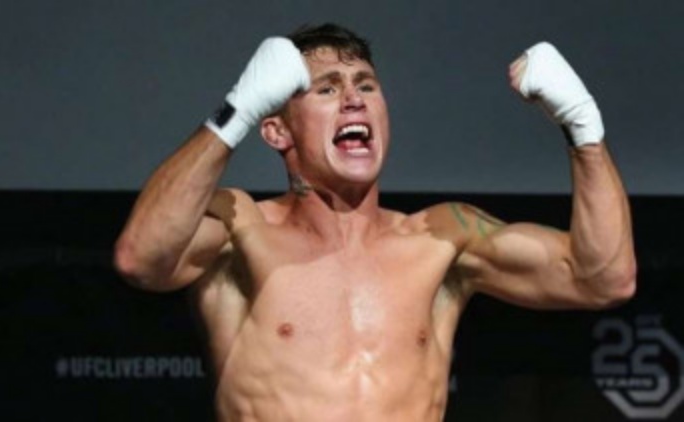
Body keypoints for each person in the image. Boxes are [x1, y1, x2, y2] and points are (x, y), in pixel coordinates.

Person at [114, 23, 636, 421]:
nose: (353, 99)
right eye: (327, 89)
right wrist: (238, 110)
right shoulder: (240, 228)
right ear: (276, 131)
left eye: (365, 85)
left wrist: (583, 124)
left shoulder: (442, 237)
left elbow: (603, 279)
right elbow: (141, 258)